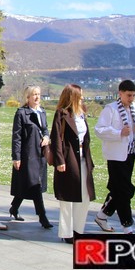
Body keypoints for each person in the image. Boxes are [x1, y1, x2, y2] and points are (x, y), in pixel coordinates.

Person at [93, 80, 135, 234]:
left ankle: (102, 216)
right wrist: (118, 133)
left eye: (134, 95)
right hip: (115, 156)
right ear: (120, 93)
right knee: (123, 191)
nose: (131, 98)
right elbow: (99, 130)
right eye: (129, 95)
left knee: (120, 190)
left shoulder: (134, 108)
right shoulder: (111, 109)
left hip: (130, 154)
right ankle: (127, 226)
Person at [52, 84, 96, 244]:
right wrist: (59, 160)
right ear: (72, 96)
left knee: (85, 196)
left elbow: (86, 138)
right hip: (68, 160)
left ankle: (78, 230)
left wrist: (90, 161)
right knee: (67, 198)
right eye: (80, 95)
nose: (82, 97)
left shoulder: (82, 112)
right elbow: (56, 138)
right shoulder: (62, 113)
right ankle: (66, 232)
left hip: (83, 159)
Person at [9, 85, 52, 229]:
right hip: (28, 155)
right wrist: (16, 157)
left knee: (27, 184)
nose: (37, 97)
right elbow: (16, 137)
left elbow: (45, 129)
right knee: (35, 185)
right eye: (34, 94)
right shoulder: (21, 113)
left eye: (39, 94)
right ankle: (42, 216)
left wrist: (46, 137)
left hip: (40, 155)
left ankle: (14, 208)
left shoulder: (42, 112)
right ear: (28, 97)